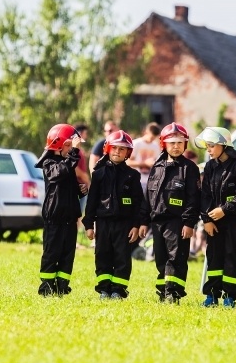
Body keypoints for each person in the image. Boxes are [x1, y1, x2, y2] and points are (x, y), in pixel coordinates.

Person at [138, 122, 200, 304]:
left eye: (180, 143)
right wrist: (143, 221)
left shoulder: (190, 168)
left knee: (176, 258)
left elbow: (193, 199)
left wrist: (189, 223)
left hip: (178, 223)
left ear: (185, 145)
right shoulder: (157, 167)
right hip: (157, 222)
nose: (176, 146)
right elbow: (148, 196)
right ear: (163, 144)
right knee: (161, 258)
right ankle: (163, 291)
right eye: (172, 142)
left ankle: (174, 293)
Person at [196, 126, 236, 308]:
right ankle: (211, 295)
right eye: (207, 146)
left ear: (224, 145)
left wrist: (224, 210)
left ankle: (230, 296)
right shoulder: (210, 166)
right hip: (215, 223)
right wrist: (207, 220)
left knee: (232, 258)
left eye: (212, 145)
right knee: (214, 257)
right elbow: (205, 196)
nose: (209, 150)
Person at [82, 130, 144, 299]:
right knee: (102, 255)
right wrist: (89, 225)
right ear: (107, 149)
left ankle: (118, 290)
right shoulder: (98, 174)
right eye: (114, 148)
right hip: (103, 224)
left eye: (122, 149)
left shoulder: (133, 175)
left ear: (128, 153)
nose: (117, 151)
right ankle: (104, 289)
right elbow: (92, 201)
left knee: (122, 257)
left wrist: (136, 225)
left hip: (124, 225)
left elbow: (139, 203)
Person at [35, 123, 88, 296]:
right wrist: (74, 154)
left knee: (67, 254)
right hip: (54, 218)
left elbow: (66, 187)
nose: (72, 149)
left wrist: (79, 191)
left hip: (69, 218)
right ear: (58, 144)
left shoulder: (67, 164)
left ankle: (62, 286)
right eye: (69, 145)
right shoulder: (49, 163)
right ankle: (47, 287)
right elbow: (58, 174)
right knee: (52, 253)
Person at [128, 122, 161, 191]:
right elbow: (128, 162)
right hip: (135, 180)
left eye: (154, 138)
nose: (152, 140)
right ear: (146, 132)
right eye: (151, 137)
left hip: (150, 181)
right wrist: (145, 163)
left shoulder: (155, 146)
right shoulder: (136, 144)